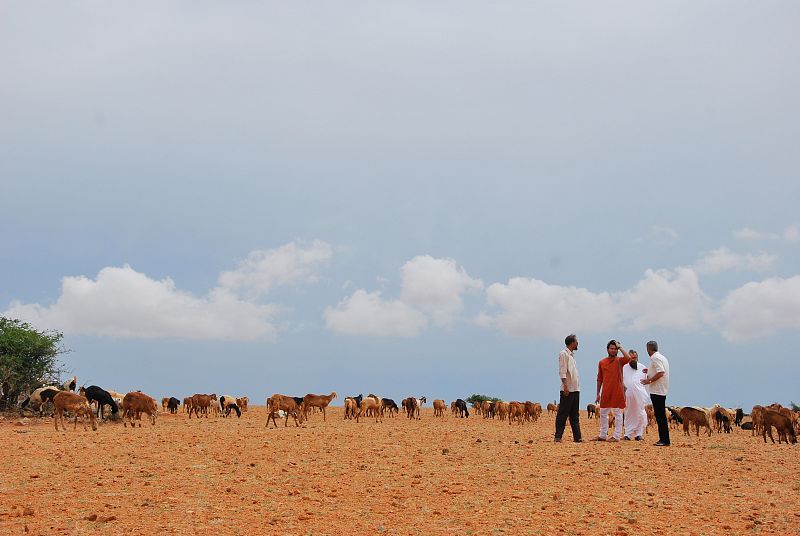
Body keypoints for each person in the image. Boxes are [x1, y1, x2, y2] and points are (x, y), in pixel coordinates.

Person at [594, 340, 631, 442]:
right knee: (603, 412)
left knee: (618, 413)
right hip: (606, 391)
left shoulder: (619, 361)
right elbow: (599, 378)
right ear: (607, 349)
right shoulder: (602, 362)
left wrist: (620, 347)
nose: (613, 350)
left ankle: (617, 436)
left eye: (615, 349)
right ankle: (602, 435)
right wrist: (598, 393)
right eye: (611, 348)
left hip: (617, 390)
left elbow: (628, 358)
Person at [641, 340, 670, 446]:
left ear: (648, 348)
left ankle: (664, 440)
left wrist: (649, 380)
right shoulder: (662, 357)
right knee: (660, 414)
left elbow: (661, 372)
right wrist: (649, 371)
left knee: (660, 415)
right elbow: (659, 370)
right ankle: (664, 439)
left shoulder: (655, 358)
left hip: (657, 390)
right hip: (662, 390)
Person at [554, 333, 582, 443]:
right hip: (568, 389)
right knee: (563, 413)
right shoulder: (563, 354)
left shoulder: (572, 355)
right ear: (572, 343)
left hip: (575, 389)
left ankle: (578, 437)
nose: (577, 343)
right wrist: (565, 385)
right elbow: (562, 370)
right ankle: (558, 436)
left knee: (575, 415)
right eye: (576, 341)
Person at [622, 350, 648, 441]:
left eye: (635, 357)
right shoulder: (624, 367)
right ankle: (628, 434)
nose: (633, 359)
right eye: (631, 357)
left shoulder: (643, 367)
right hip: (628, 394)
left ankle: (639, 434)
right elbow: (622, 382)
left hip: (640, 395)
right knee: (629, 413)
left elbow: (646, 381)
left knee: (640, 413)